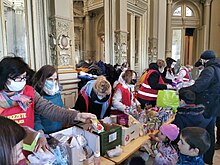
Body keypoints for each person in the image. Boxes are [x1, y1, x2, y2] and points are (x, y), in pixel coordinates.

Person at [0, 56, 97, 152]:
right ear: (4, 78)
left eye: (24, 78)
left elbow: (49, 109)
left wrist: (77, 116)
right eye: (18, 78)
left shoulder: (29, 92)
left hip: (27, 146)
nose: (22, 82)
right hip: (5, 150)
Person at [182, 50, 220, 164]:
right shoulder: (217, 68)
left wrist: (183, 90)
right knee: (210, 133)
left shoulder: (209, 69)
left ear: (204, 60)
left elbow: (199, 86)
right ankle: (208, 160)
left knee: (201, 133)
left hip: (206, 105)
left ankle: (200, 159)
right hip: (214, 105)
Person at [32, 65, 65, 134]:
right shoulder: (36, 96)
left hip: (59, 131)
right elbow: (35, 119)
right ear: (42, 79)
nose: (53, 82)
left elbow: (61, 109)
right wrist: (41, 134)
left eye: (55, 79)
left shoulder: (57, 93)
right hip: (45, 134)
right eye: (50, 79)